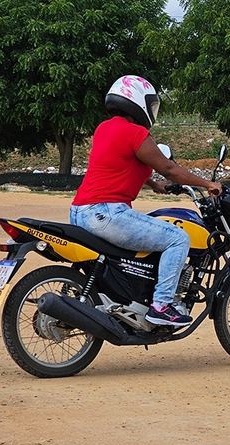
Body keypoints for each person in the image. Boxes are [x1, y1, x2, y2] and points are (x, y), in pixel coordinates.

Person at [70, 75, 222, 328]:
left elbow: (116, 165)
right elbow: (169, 168)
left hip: (80, 211)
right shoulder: (135, 133)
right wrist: (208, 184)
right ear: (137, 101)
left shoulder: (104, 128)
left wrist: (152, 184)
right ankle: (162, 306)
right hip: (107, 213)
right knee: (177, 238)